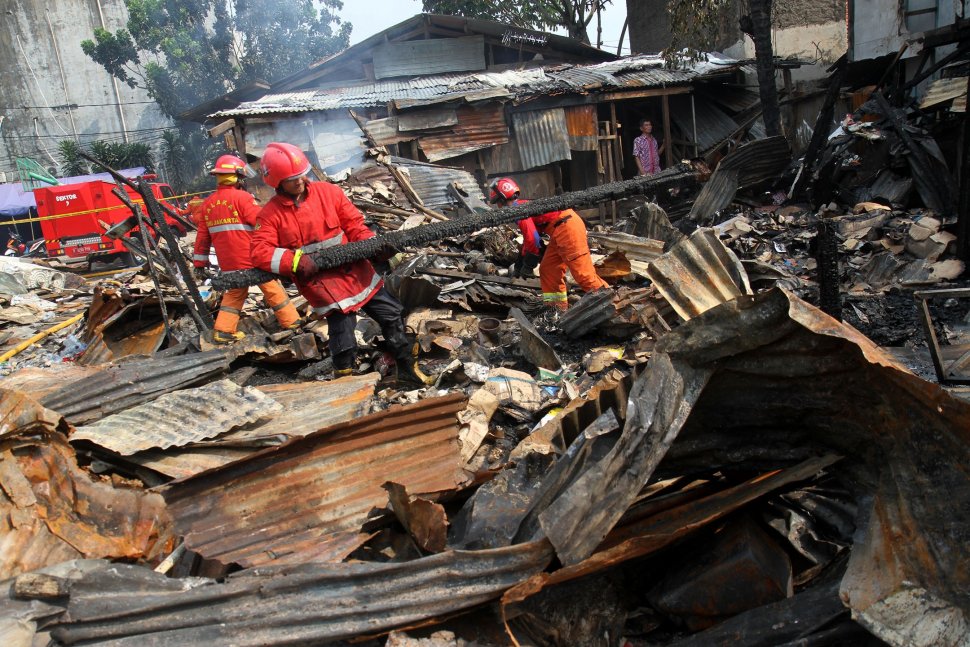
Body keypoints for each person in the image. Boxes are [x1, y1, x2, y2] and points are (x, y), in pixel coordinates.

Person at [250, 142, 430, 386]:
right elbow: (260, 251)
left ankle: (408, 370)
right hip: (324, 285)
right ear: (277, 182)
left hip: (357, 274)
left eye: (301, 173)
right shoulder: (270, 215)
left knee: (393, 315)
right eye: (291, 178)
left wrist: (373, 246)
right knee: (343, 339)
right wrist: (295, 262)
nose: (300, 180)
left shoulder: (329, 193)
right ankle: (344, 387)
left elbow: (355, 225)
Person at [192, 154, 301, 344]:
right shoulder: (243, 198)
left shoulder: (208, 204)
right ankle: (292, 322)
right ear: (236, 177)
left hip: (229, 263)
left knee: (234, 294)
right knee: (272, 288)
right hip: (252, 259)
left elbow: (202, 237)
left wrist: (199, 263)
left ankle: (224, 331)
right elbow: (263, 223)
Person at [489, 177, 608, 312]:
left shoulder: (519, 210)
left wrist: (528, 265)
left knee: (583, 275)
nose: (498, 206)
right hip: (560, 228)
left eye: (497, 202)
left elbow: (533, 239)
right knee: (548, 269)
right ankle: (556, 309)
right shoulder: (521, 206)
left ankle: (613, 305)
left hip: (566, 227)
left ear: (502, 200)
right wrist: (520, 262)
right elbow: (532, 239)